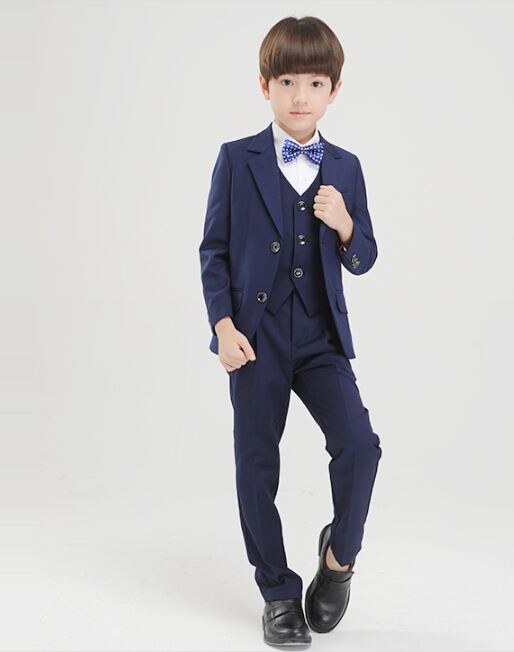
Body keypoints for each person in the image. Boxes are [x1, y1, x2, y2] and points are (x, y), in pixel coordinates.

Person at [199, 15, 382, 647]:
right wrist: (222, 325)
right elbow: (214, 250)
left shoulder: (347, 167)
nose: (300, 96)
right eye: (286, 82)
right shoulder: (236, 159)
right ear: (264, 86)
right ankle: (277, 592)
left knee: (359, 445)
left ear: (334, 90)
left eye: (314, 83)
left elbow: (365, 257)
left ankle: (339, 559)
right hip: (256, 337)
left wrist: (346, 225)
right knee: (256, 463)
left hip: (321, 337)